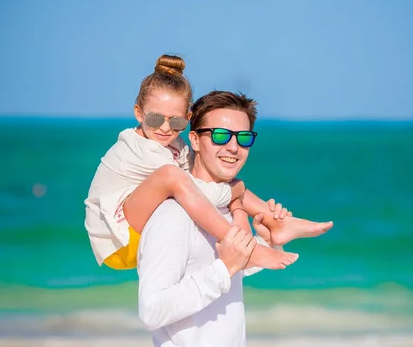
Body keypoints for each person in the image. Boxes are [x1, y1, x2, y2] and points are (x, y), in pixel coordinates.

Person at [84, 55, 332, 272]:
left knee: (216, 176)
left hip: (137, 229)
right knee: (173, 176)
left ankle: (276, 222)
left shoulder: (172, 144)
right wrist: (236, 193)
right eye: (155, 118)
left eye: (176, 122)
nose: (164, 127)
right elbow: (196, 192)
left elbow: (204, 184)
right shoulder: (140, 150)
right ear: (139, 113)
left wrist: (237, 201)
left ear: (188, 119)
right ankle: (244, 248)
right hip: (118, 239)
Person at [138, 91, 324, 346]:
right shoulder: (173, 214)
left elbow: (228, 272)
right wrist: (225, 269)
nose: (233, 147)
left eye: (243, 137)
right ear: (194, 140)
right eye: (220, 135)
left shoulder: (225, 208)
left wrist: (266, 241)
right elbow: (151, 311)